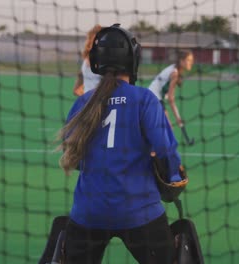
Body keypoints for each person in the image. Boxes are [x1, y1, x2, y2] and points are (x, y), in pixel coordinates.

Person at [57, 24, 182, 263]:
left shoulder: (84, 102)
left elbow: (71, 155)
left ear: (97, 61)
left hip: (88, 212)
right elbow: (166, 150)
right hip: (140, 211)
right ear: (133, 60)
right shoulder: (145, 99)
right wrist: (173, 177)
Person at [148, 49, 194, 127]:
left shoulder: (175, 70)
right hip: (153, 98)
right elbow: (170, 99)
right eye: (188, 60)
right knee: (167, 128)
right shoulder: (174, 74)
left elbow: (169, 95)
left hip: (154, 97)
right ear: (181, 61)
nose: (191, 62)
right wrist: (178, 118)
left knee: (167, 128)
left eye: (191, 60)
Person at [72, 24, 102, 96]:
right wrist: (77, 90)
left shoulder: (105, 60)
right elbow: (81, 76)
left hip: (99, 100)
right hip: (85, 100)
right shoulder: (86, 59)